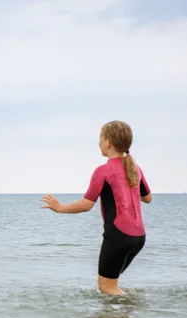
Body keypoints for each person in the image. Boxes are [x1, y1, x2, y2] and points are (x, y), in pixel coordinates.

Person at [40, 121, 152, 295]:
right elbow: (147, 198)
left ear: (108, 142)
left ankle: (131, 308)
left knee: (106, 287)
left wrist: (59, 207)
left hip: (118, 236)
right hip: (138, 238)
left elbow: (86, 205)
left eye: (100, 139)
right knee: (111, 283)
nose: (99, 143)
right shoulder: (135, 169)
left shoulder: (103, 171)